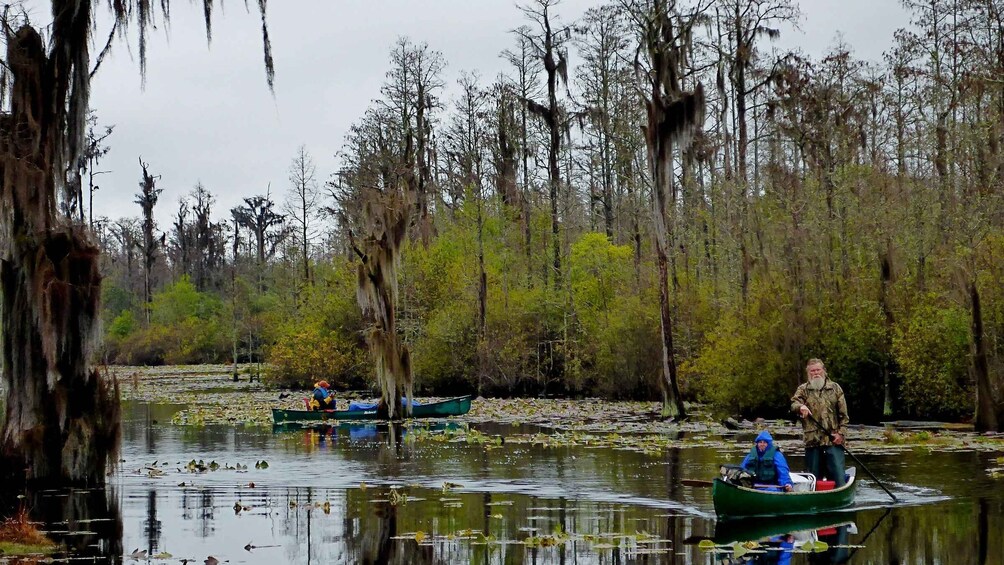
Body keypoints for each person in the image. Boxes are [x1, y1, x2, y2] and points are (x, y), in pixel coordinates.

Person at [791, 358, 849, 487]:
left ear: (823, 371)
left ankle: (838, 494)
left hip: (833, 440)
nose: (815, 373)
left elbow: (844, 416)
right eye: (812, 371)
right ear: (808, 373)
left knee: (837, 479)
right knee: (812, 480)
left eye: (818, 370)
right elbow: (794, 403)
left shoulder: (835, 388)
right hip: (813, 441)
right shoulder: (803, 389)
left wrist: (841, 434)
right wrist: (800, 407)